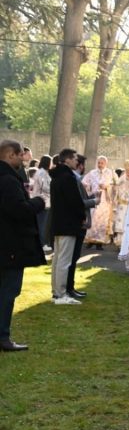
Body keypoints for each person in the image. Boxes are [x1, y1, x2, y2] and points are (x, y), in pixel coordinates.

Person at [0, 139, 46, 351]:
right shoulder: (8, 180)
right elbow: (19, 210)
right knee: (8, 292)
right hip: (9, 246)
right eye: (20, 155)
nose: (23, 158)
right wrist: (37, 203)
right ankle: (3, 337)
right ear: (10, 155)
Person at [49, 149, 90, 305]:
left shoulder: (57, 176)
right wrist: (81, 216)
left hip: (59, 223)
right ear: (67, 160)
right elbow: (75, 202)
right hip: (68, 224)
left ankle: (57, 291)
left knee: (58, 259)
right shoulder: (68, 178)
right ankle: (60, 293)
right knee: (64, 260)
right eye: (74, 158)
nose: (76, 161)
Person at [66, 154, 97, 299]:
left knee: (74, 257)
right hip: (77, 223)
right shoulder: (74, 179)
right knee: (71, 258)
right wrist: (94, 201)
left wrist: (91, 198)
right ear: (81, 166)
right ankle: (68, 287)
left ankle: (70, 286)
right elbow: (78, 202)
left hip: (77, 222)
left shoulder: (75, 179)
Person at [82, 155, 116, 249]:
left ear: (106, 163)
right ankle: (90, 240)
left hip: (105, 200)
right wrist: (89, 187)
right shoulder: (92, 173)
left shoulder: (110, 173)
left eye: (102, 163)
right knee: (93, 219)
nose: (100, 165)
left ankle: (99, 242)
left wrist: (107, 187)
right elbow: (84, 182)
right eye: (99, 163)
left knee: (102, 221)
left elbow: (115, 185)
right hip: (94, 199)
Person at [30, 155, 52, 253]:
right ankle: (42, 244)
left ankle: (39, 244)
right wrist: (54, 189)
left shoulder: (40, 172)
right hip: (43, 200)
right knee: (42, 224)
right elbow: (44, 187)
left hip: (41, 200)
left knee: (40, 223)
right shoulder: (42, 173)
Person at [112, 160, 129, 247]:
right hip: (122, 206)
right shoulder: (120, 181)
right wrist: (115, 188)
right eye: (127, 171)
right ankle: (120, 243)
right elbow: (114, 193)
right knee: (121, 225)